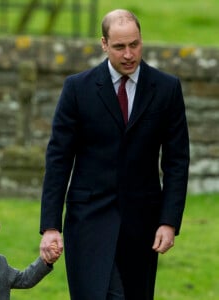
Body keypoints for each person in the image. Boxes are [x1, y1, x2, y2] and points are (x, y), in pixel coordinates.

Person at [39, 8, 190, 300]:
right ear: (104, 44)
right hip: (87, 220)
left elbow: (177, 161)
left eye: (134, 44)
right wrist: (50, 226)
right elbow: (58, 158)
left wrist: (168, 221)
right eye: (120, 46)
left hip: (142, 223)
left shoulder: (167, 89)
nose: (129, 54)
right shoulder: (77, 89)